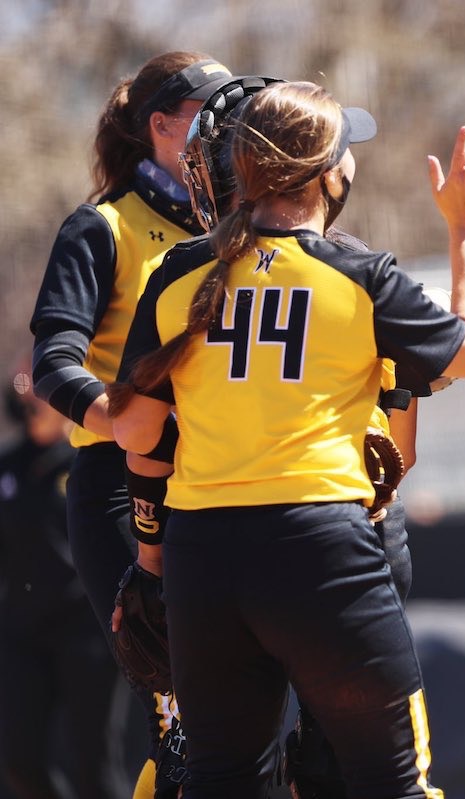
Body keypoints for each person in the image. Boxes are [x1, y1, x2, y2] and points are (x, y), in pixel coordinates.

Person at [107, 80, 465, 798]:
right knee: (392, 783)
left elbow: (135, 430)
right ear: (329, 174)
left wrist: (153, 554)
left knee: (221, 781)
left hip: (205, 556)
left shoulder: (181, 271)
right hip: (317, 549)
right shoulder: (355, 272)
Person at [27, 50, 235, 799]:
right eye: (209, 113)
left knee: (251, 722)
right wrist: (117, 416)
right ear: (161, 128)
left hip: (220, 486)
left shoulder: (240, 231)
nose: (228, 127)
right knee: (180, 718)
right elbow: (53, 357)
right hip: (121, 490)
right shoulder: (104, 226)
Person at [0, 353, 132, 799]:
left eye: (39, 385)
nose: (29, 392)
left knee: (92, 761)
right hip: (22, 630)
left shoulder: (86, 463)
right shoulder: (9, 464)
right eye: (26, 384)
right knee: (19, 758)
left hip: (85, 627)